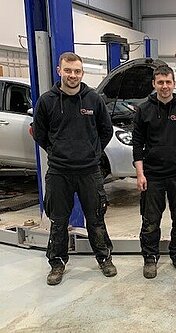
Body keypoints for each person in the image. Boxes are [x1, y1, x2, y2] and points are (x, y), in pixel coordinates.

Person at [32, 52, 116, 286]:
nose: (72, 75)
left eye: (77, 71)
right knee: (58, 221)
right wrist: (57, 151)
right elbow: (39, 133)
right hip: (59, 172)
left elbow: (105, 130)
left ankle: (104, 258)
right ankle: (57, 263)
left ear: (82, 73)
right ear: (59, 71)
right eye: (68, 70)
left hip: (89, 171)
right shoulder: (47, 101)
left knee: (96, 218)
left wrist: (93, 153)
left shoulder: (93, 100)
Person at [132, 65, 176, 279]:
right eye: (160, 82)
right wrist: (140, 174)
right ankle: (150, 258)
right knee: (150, 221)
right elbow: (137, 144)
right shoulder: (144, 110)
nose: (165, 86)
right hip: (153, 176)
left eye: (168, 82)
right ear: (154, 84)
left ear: (174, 83)